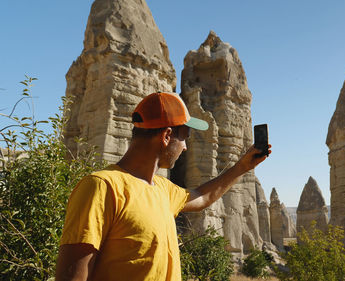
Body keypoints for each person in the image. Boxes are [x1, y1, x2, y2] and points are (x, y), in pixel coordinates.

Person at [55, 92, 271, 281]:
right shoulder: (101, 187)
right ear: (167, 136)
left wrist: (243, 166)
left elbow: (202, 197)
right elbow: (73, 276)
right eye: (184, 137)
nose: (185, 147)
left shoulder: (163, 189)